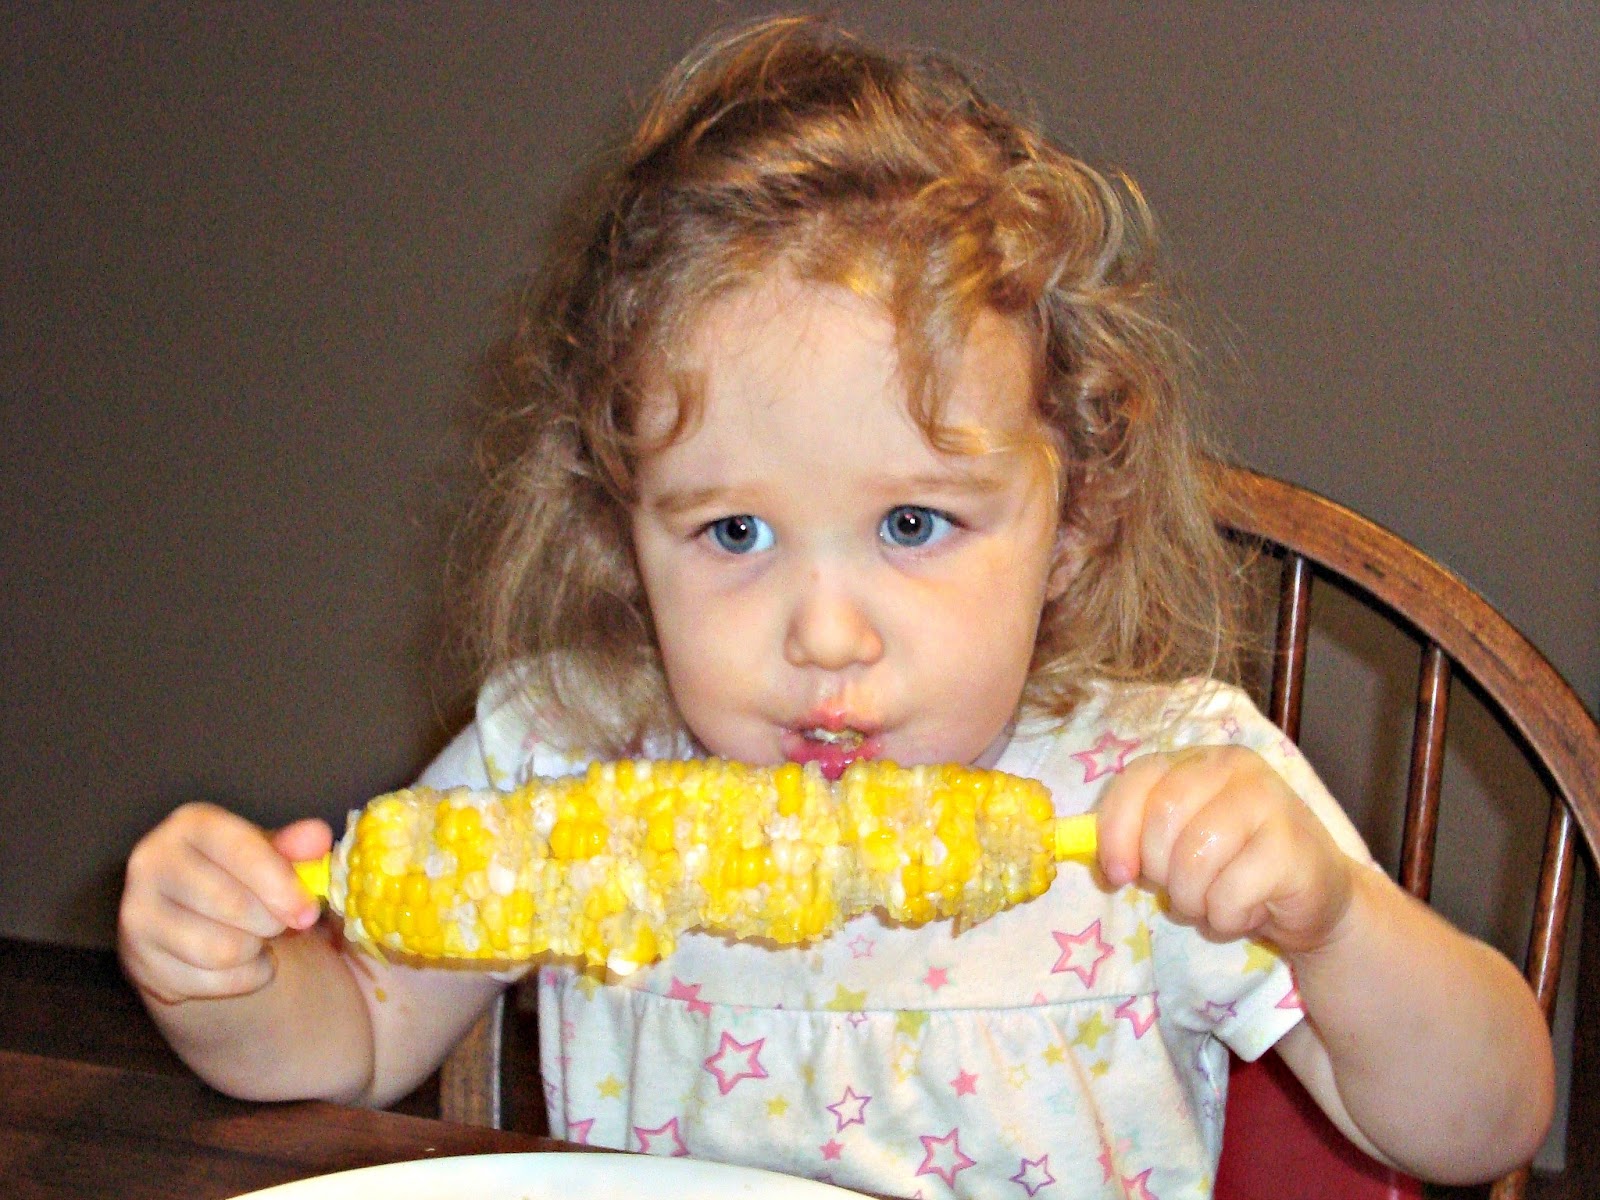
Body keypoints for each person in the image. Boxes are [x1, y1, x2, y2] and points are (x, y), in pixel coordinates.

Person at [117, 15, 1554, 1199]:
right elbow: (353, 1038)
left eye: (914, 525)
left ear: (1072, 527)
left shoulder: (1165, 790)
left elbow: (1485, 1121)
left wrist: (1339, 927)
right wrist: (223, 982)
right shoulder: (561, 757)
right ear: (624, 531)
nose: (823, 634)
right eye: (733, 531)